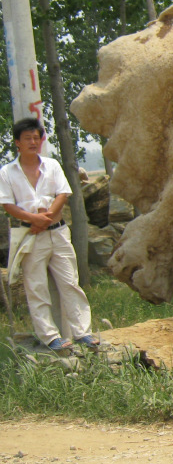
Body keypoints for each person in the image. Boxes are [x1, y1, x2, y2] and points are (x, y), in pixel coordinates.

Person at [0, 117, 99, 352]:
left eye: (37, 137)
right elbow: (7, 204)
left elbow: (62, 194)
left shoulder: (52, 165)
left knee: (70, 283)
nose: (33, 142)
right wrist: (33, 219)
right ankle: (50, 336)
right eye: (28, 138)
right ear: (18, 143)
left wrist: (44, 219)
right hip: (29, 236)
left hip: (58, 232)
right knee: (36, 287)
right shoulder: (7, 172)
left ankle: (83, 332)